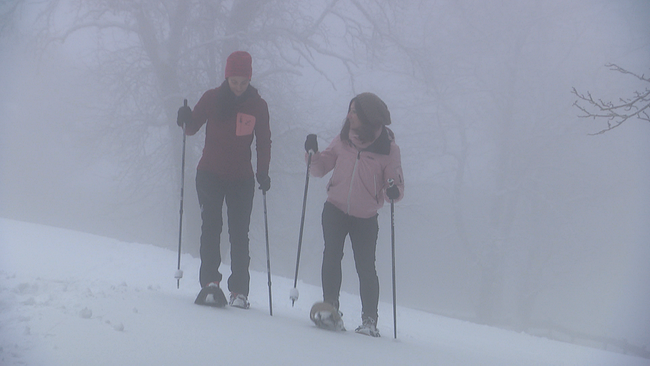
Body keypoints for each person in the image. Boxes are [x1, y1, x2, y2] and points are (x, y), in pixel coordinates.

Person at [176, 51, 271, 309]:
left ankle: (239, 291)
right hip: (210, 173)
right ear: (227, 77)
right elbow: (192, 127)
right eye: (234, 81)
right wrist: (184, 117)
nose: (239, 87)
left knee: (239, 234)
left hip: (242, 178)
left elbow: (263, 141)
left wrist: (263, 171)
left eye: (243, 82)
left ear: (249, 80)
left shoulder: (257, 106)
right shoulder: (212, 98)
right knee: (211, 227)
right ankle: (210, 284)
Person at [304, 92, 404, 337]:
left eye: (354, 111)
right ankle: (330, 308)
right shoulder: (343, 139)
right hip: (335, 208)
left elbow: (397, 187)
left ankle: (369, 320)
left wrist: (393, 189)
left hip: (366, 216)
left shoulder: (388, 149)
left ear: (368, 116)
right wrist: (311, 156)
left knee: (366, 267)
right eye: (350, 110)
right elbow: (320, 169)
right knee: (331, 256)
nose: (349, 115)